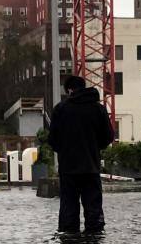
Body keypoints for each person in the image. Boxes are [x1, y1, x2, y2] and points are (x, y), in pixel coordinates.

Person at [48, 75, 114, 232]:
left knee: (68, 209)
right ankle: (94, 243)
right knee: (94, 210)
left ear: (69, 90)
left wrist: (65, 151)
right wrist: (93, 148)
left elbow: (52, 140)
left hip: (68, 169)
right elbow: (108, 137)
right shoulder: (98, 109)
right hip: (91, 167)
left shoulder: (61, 109)